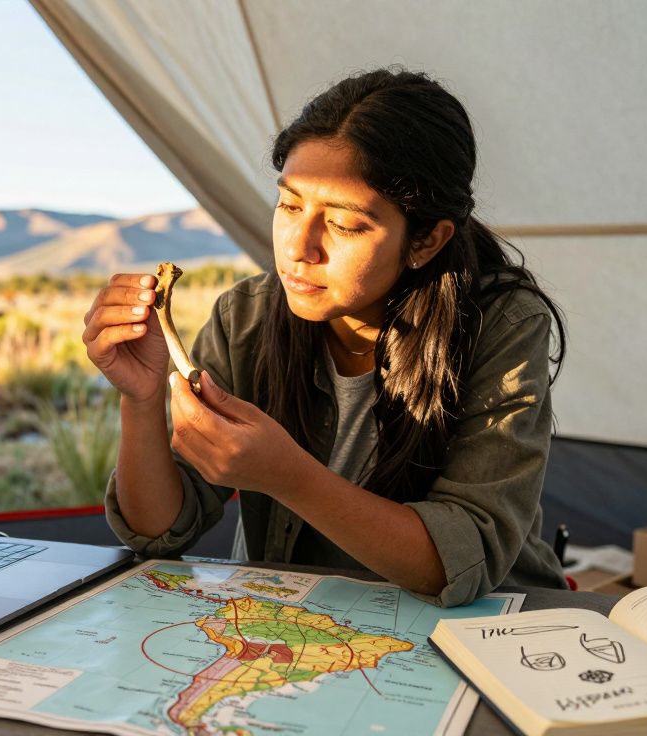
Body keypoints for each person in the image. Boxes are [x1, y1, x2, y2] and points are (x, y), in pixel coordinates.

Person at [82, 68, 568, 607]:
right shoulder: (245, 317)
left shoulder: (501, 326)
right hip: (301, 630)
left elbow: (463, 557)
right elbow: (157, 529)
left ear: (426, 241)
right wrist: (141, 399)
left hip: (488, 633)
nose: (299, 248)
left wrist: (289, 477)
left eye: (344, 224)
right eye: (290, 206)